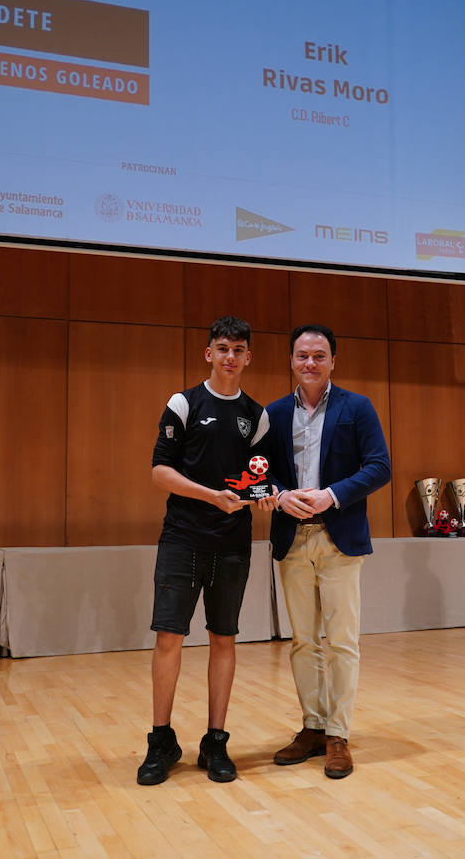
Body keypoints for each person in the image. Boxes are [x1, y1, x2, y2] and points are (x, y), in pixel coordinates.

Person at [138, 316, 274, 785]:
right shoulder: (184, 402)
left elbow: (259, 478)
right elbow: (160, 471)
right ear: (208, 354)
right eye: (222, 348)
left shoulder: (258, 416)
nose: (230, 357)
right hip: (182, 538)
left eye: (239, 349)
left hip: (232, 545)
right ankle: (161, 741)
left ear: (248, 356)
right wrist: (210, 495)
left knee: (224, 639)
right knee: (168, 639)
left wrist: (265, 495)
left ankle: (215, 743)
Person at [265, 324, 391, 779]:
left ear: (333, 361)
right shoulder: (274, 413)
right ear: (292, 361)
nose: (311, 363)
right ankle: (312, 728)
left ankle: (339, 734)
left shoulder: (357, 407)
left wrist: (332, 495)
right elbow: (261, 473)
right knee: (302, 642)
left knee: (341, 641)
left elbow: (380, 467)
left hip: (339, 536)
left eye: (320, 355)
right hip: (292, 538)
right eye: (302, 356)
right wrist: (280, 495)